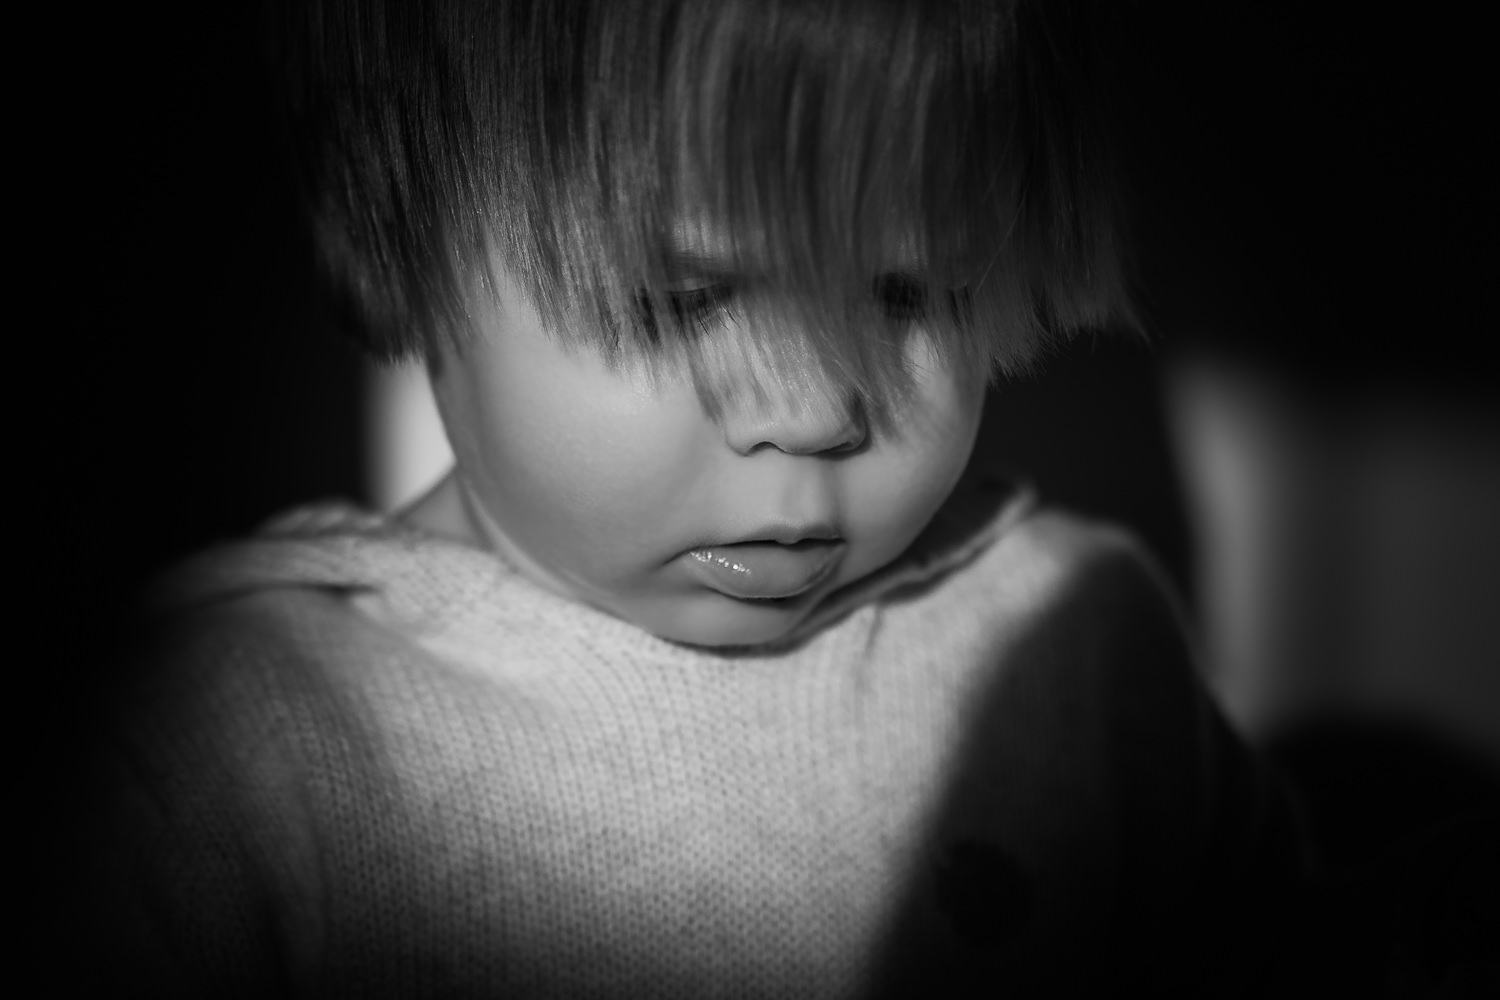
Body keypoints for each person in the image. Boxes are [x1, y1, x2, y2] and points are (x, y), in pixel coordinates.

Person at [76, 1, 1304, 995]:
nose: (816, 409)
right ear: (397, 247)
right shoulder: (230, 759)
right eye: (682, 300)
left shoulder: (1073, 641)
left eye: (905, 293)